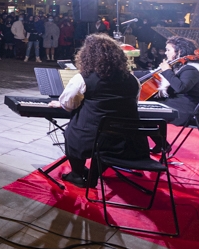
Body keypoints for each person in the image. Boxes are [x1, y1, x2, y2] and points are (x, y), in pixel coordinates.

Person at [53, 33, 145, 188]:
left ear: (87, 55)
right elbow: (133, 103)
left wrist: (61, 104)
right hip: (125, 140)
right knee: (105, 137)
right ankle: (93, 176)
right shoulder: (132, 80)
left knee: (71, 132)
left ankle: (77, 174)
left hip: (91, 138)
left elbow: (68, 104)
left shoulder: (83, 78)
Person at [153, 36, 199, 129]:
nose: (165, 53)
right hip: (176, 105)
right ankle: (160, 142)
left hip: (184, 111)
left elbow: (181, 88)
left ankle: (160, 142)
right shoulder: (178, 67)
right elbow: (151, 74)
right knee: (145, 109)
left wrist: (167, 71)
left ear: (179, 51)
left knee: (144, 113)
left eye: (168, 50)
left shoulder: (191, 69)